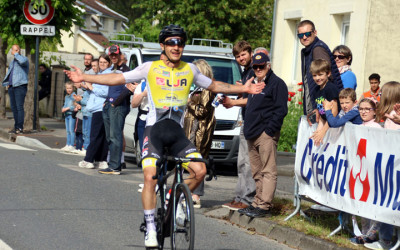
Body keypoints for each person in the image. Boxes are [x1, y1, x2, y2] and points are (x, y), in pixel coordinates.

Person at [65, 24, 264, 248]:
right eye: (171, 42)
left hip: (176, 133)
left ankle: (175, 197)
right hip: (154, 131)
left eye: (180, 42)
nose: (176, 46)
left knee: (200, 170)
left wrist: (244, 90)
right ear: (163, 45)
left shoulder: (190, 70)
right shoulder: (150, 67)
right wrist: (86, 77)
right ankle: (150, 227)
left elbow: (215, 85)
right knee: (150, 177)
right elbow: (117, 78)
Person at [236, 52, 288, 218]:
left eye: (261, 66)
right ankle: (257, 202)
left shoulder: (277, 84)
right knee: (256, 171)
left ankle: (265, 205)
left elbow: (281, 110)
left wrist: (269, 130)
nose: (258, 69)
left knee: (268, 170)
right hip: (251, 132)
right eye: (255, 67)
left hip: (265, 134)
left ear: (268, 65)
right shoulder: (254, 83)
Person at [363, 81, 400, 250]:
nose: (380, 94)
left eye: (383, 92)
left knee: (387, 201)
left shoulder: (394, 116)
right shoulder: (389, 114)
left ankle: (385, 239)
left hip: (392, 165)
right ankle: (381, 236)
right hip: (387, 164)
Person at [222, 40, 256, 211]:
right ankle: (239, 197)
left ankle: (247, 199)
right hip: (246, 120)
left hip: (254, 122)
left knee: (248, 163)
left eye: (243, 54)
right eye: (237, 56)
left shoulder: (255, 70)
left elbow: (252, 99)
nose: (241, 58)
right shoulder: (246, 72)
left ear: (250, 53)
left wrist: (234, 102)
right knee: (241, 162)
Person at [183, 59, 216, 209]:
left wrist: (189, 101)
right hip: (189, 127)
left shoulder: (207, 88)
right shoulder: (195, 87)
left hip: (200, 130)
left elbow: (202, 111)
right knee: (189, 161)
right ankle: (189, 192)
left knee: (198, 161)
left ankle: (196, 195)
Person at [297, 20, 343, 117]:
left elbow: (324, 80)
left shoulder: (318, 49)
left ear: (315, 33)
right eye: (301, 35)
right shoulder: (309, 50)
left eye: (307, 34)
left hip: (324, 108)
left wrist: (317, 108)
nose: (304, 37)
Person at [78, 54, 110, 170]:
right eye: (100, 62)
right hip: (97, 108)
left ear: (109, 63)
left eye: (104, 62)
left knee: (95, 135)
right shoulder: (101, 74)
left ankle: (89, 159)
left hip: (100, 108)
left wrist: (92, 87)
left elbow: (105, 92)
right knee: (101, 135)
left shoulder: (108, 75)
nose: (101, 65)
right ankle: (101, 160)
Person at [309, 59, 340, 146]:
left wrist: (323, 131)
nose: (317, 78)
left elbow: (334, 112)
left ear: (328, 73)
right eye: (314, 75)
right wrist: (319, 129)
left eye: (320, 75)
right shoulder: (316, 90)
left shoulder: (330, 88)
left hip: (335, 126)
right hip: (326, 124)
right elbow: (322, 112)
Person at [2, 44, 29, 134]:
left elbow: (22, 62)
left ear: (19, 50)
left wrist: (17, 54)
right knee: (13, 108)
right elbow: (10, 73)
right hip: (12, 86)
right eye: (13, 50)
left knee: (19, 107)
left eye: (15, 50)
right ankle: (16, 126)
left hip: (20, 86)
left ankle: (20, 127)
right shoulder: (12, 62)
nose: (13, 51)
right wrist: (8, 84)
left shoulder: (24, 59)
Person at [61, 82, 76, 152]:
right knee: (67, 131)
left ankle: (71, 145)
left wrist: (67, 108)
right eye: (67, 88)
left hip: (71, 114)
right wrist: (63, 108)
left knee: (71, 130)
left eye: (70, 88)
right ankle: (68, 144)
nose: (69, 90)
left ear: (73, 88)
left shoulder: (74, 96)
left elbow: (74, 106)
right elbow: (65, 104)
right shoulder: (66, 96)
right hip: (66, 114)